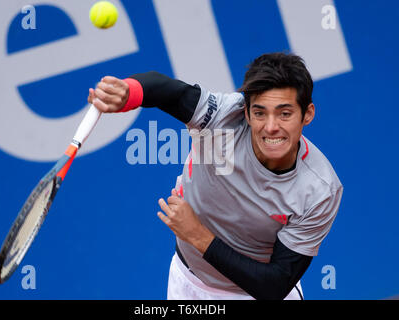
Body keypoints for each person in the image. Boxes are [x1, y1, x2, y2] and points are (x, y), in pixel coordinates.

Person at [87, 52, 343, 300]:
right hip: (188, 285)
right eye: (260, 113)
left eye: (284, 113)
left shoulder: (319, 189)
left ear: (307, 114)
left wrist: (197, 234)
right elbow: (167, 91)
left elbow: (274, 286)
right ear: (246, 112)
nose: (271, 126)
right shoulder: (222, 118)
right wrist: (128, 92)